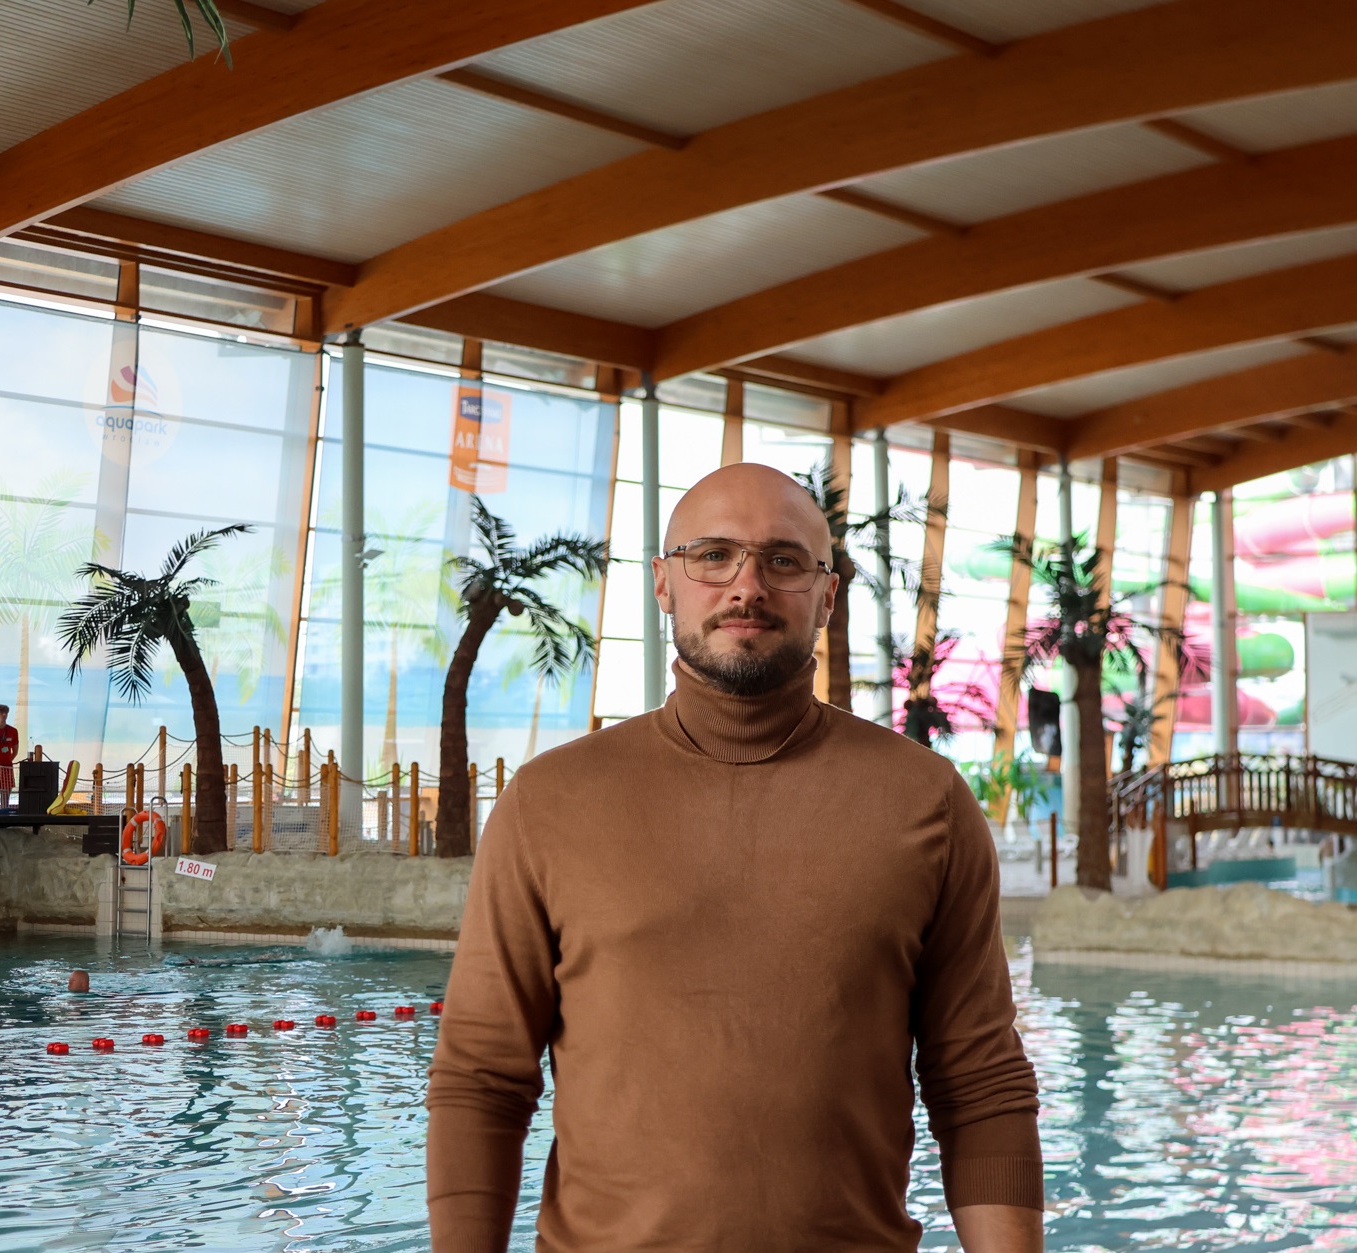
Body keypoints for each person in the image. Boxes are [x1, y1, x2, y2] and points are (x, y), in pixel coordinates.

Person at [427, 463, 1042, 1252]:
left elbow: (979, 1083)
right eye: (713, 555)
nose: (747, 586)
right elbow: (481, 1077)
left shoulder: (927, 801)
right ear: (663, 581)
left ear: (828, 595)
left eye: (783, 560)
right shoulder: (549, 802)